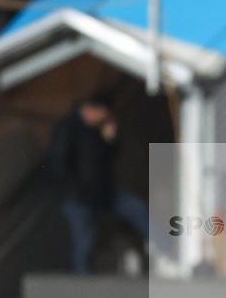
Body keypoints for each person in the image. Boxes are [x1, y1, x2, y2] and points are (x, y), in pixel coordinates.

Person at [49, 94, 154, 274]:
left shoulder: (97, 130)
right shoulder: (68, 128)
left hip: (103, 192)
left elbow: (105, 160)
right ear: (91, 109)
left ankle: (164, 249)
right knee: (84, 242)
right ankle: (83, 284)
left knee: (137, 208)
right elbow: (59, 164)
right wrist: (72, 191)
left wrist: (110, 141)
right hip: (78, 196)